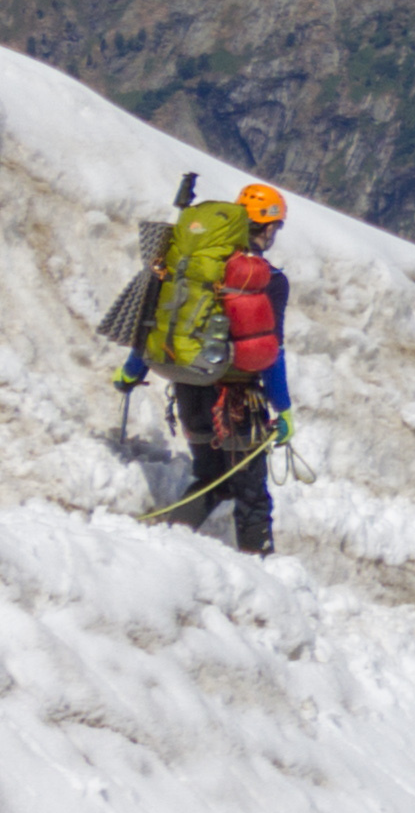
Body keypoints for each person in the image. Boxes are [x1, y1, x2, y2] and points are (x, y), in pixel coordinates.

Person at [116, 180, 295, 555]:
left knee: (211, 477)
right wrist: (284, 408)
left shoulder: (193, 268)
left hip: (188, 387)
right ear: (263, 227)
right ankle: (262, 578)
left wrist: (134, 370)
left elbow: (158, 320)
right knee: (251, 494)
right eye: (274, 228)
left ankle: (163, 546)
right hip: (235, 403)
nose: (274, 236)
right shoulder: (266, 280)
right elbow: (269, 350)